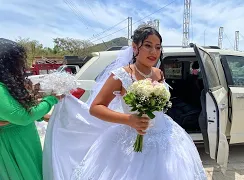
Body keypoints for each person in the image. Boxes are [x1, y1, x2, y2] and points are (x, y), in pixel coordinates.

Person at [43, 26, 207, 180]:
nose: (154, 52)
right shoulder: (120, 75)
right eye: (148, 46)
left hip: (164, 133)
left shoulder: (158, 73)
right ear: (135, 48)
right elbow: (96, 108)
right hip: (131, 138)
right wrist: (129, 120)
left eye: (158, 47)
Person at [0, 38, 60, 180]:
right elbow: (22, 116)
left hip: (23, 137)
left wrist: (42, 116)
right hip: (13, 141)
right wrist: (51, 99)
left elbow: (17, 109)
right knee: (26, 173)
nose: (22, 65)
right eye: (18, 60)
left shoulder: (6, 84)